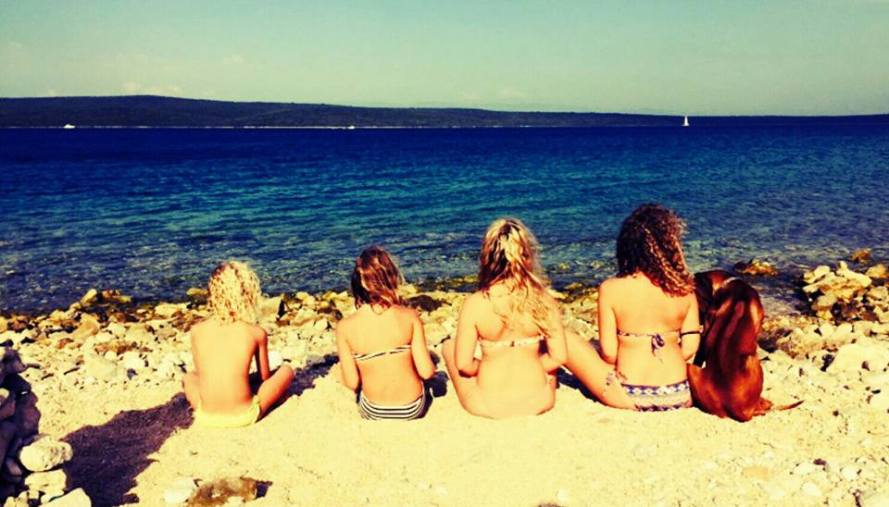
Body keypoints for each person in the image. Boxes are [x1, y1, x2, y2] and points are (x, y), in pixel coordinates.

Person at [563, 204, 701, 411]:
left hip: (630, 394)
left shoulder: (611, 288)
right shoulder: (684, 291)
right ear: (670, 246)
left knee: (567, 339)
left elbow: (609, 353)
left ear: (627, 246)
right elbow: (689, 349)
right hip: (678, 393)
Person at [442, 218, 567, 418]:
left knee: (449, 347)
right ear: (527, 256)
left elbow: (465, 365)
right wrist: (530, 367)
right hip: (539, 400)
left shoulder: (475, 303)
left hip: (487, 404)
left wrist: (488, 366)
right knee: (545, 349)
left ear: (486, 258)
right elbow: (559, 357)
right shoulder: (544, 300)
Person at [183, 261, 294, 427]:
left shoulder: (197, 330)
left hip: (206, 415)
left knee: (189, 377)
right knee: (286, 371)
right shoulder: (255, 332)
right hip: (244, 415)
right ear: (247, 294)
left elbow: (202, 376)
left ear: (212, 294)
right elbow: (264, 378)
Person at [336, 246, 435, 420]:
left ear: (359, 283)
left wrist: (340, 373)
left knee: (341, 370)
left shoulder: (344, 327)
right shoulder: (410, 316)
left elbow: (352, 383)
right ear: (392, 277)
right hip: (412, 408)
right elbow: (427, 372)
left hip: (374, 410)